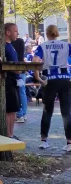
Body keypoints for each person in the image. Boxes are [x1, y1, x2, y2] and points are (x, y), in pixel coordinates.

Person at [33, 24, 71, 152]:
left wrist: (38, 77)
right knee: (66, 111)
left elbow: (35, 61)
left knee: (47, 111)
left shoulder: (42, 46)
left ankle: (44, 140)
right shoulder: (66, 45)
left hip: (49, 79)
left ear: (47, 33)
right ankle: (69, 141)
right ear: (57, 33)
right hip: (64, 78)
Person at [4, 23, 21, 138]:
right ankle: (8, 134)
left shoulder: (11, 46)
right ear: (8, 32)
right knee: (9, 110)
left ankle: (11, 133)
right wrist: (19, 70)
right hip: (8, 81)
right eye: (15, 31)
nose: (17, 33)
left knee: (13, 109)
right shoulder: (4, 46)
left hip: (13, 81)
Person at [14, 35, 28, 124]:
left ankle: (20, 114)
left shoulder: (10, 43)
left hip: (15, 70)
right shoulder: (21, 41)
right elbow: (21, 56)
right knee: (22, 92)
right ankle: (23, 113)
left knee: (18, 92)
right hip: (22, 69)